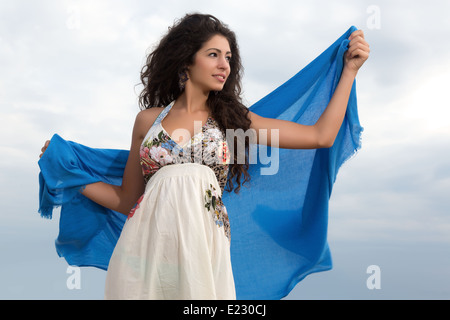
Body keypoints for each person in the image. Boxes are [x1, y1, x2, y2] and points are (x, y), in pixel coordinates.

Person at [39, 13, 369, 299]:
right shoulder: (147, 121)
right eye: (213, 54)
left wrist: (350, 71)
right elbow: (127, 200)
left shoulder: (234, 120)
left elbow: (320, 136)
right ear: (186, 61)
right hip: (143, 249)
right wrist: (71, 177)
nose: (224, 64)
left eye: (228, 56)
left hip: (202, 247)